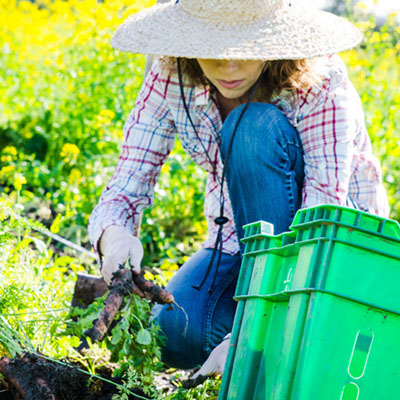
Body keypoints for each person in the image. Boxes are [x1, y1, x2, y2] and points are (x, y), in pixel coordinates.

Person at [88, 0, 389, 382]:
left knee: (251, 128)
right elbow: (128, 180)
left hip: (330, 259)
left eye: (246, 50)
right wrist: (113, 236)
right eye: (212, 50)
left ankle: (280, 337)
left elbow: (324, 222)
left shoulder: (321, 82)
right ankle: (270, 349)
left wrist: (252, 331)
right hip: (240, 241)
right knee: (174, 332)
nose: (228, 67)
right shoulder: (171, 72)